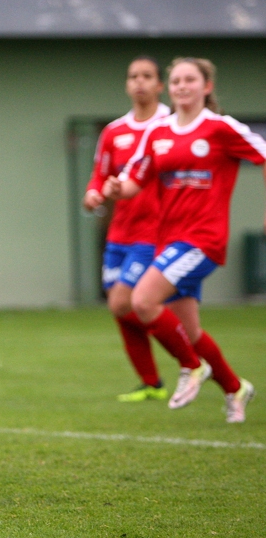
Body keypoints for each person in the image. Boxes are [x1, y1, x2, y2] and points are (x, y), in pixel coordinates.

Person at [104, 57, 266, 423]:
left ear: (206, 86)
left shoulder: (220, 128)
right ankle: (234, 388)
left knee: (142, 300)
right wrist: (117, 188)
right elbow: (134, 181)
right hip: (168, 241)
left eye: (189, 80)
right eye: (175, 80)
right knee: (189, 331)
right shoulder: (158, 133)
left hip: (203, 239)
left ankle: (191, 368)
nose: (180, 86)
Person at [84, 57, 208, 405]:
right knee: (119, 307)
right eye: (133, 76)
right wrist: (94, 193)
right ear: (127, 85)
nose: (139, 82)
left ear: (159, 85)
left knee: (128, 302)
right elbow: (100, 173)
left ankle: (192, 364)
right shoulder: (114, 132)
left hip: (155, 233)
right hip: (119, 234)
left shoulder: (172, 125)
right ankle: (151, 382)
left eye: (147, 76)